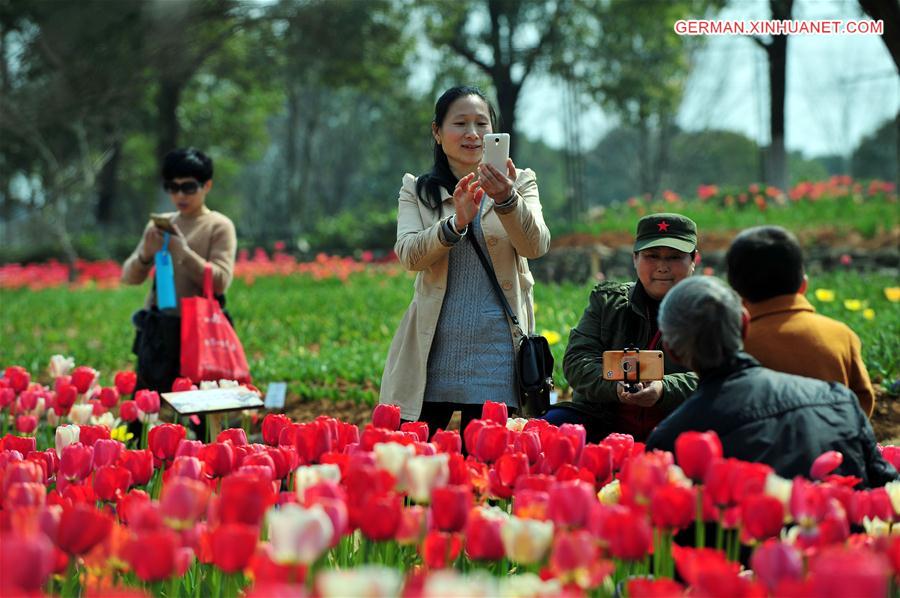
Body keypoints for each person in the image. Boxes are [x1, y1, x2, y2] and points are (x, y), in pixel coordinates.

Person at [379, 86, 551, 437]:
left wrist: (506, 199)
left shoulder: (521, 183)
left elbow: (535, 246)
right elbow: (409, 255)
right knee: (416, 465)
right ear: (437, 133)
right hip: (432, 353)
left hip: (497, 356)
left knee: (486, 469)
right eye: (460, 123)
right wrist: (455, 223)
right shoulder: (418, 191)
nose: (472, 134)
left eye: (481, 124)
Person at [645, 276, 896, 487]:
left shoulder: (669, 441)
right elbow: (886, 491)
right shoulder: (838, 400)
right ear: (744, 326)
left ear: (671, 350)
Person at [542, 213, 699, 442]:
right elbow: (577, 361)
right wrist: (615, 387)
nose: (663, 267)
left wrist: (664, 388)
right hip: (605, 418)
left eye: (675, 257)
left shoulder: (708, 310)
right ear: (635, 259)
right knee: (552, 425)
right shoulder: (608, 303)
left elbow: (722, 374)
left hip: (678, 420)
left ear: (694, 260)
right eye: (651, 256)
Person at [726, 225, 875, 416]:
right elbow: (862, 400)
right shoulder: (842, 335)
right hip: (836, 442)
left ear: (735, 291)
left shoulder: (735, 344)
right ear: (803, 284)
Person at [122, 147, 237, 394]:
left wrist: (182, 252)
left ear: (207, 186)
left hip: (199, 332)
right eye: (172, 187)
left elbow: (220, 281)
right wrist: (145, 254)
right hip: (159, 330)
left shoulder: (219, 226)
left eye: (188, 187)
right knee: (144, 408)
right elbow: (128, 277)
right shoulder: (161, 224)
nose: (180, 195)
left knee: (202, 409)